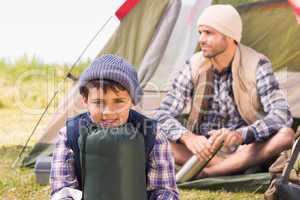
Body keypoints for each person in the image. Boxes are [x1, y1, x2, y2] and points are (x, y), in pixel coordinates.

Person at [154, 4, 295, 178]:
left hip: (246, 149)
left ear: (229, 36)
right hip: (204, 150)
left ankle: (207, 174)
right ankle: (231, 168)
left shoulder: (257, 64)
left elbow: (282, 116)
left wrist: (240, 135)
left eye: (208, 33)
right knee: (152, 137)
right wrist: (187, 137)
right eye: (200, 33)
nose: (201, 39)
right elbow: (160, 114)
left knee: (286, 136)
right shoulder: (194, 64)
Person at [50, 55, 178, 199]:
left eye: (118, 101)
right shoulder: (69, 134)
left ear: (132, 100)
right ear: (85, 100)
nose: (108, 112)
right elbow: (62, 191)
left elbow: (164, 190)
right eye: (98, 102)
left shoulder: (153, 134)